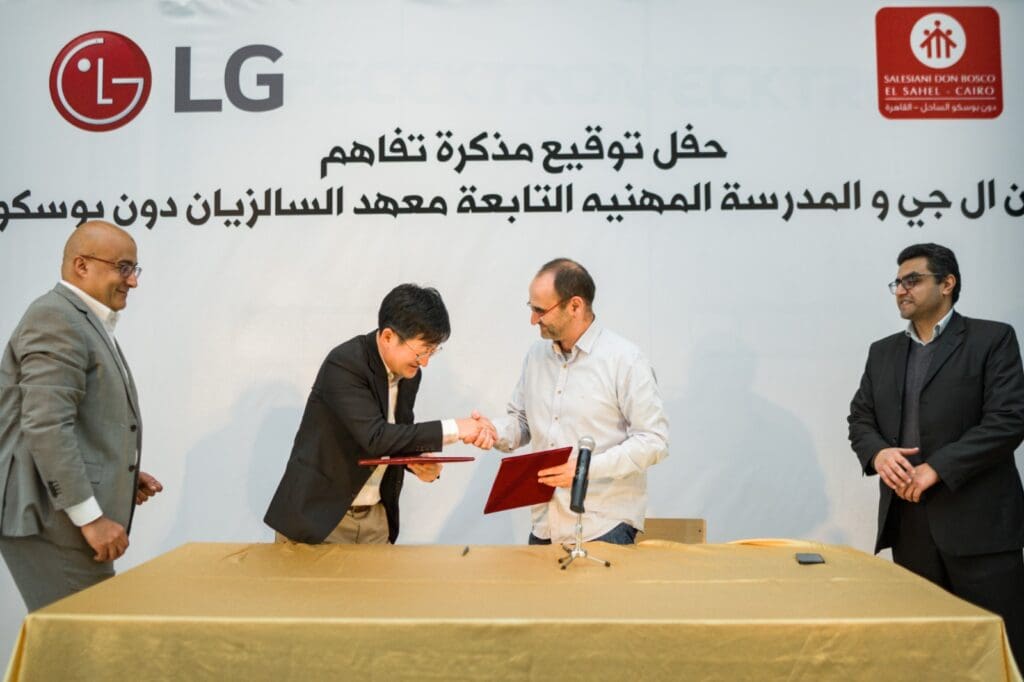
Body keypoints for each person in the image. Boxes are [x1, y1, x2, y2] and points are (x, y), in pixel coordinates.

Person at [848, 243, 1024, 669]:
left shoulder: (992, 339)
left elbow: (1008, 420)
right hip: (910, 524)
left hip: (980, 526)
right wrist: (879, 454)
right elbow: (860, 418)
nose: (901, 290)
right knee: (925, 654)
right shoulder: (883, 351)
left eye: (913, 280)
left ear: (947, 284)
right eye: (897, 282)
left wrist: (938, 469)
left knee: (995, 652)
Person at [0, 221, 163, 611]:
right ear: (82, 265)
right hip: (52, 522)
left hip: (59, 521)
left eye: (134, 269)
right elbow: (46, 425)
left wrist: (117, 471)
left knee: (82, 640)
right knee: (85, 644)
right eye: (123, 267)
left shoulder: (78, 319)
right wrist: (90, 519)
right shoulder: (56, 318)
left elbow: (68, 421)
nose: (133, 281)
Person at [264, 283, 493, 545]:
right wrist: (457, 428)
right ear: (387, 337)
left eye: (432, 351)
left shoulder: (410, 374)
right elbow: (375, 437)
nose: (425, 362)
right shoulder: (345, 364)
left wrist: (418, 463)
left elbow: (397, 436)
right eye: (421, 351)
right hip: (320, 518)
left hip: (376, 520)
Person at [478, 258, 669, 545]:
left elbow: (654, 441)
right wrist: (492, 431)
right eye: (531, 308)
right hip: (545, 526)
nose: (533, 320)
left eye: (540, 310)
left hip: (603, 526)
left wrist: (585, 470)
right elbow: (522, 421)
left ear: (575, 306)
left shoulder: (625, 360)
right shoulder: (536, 356)